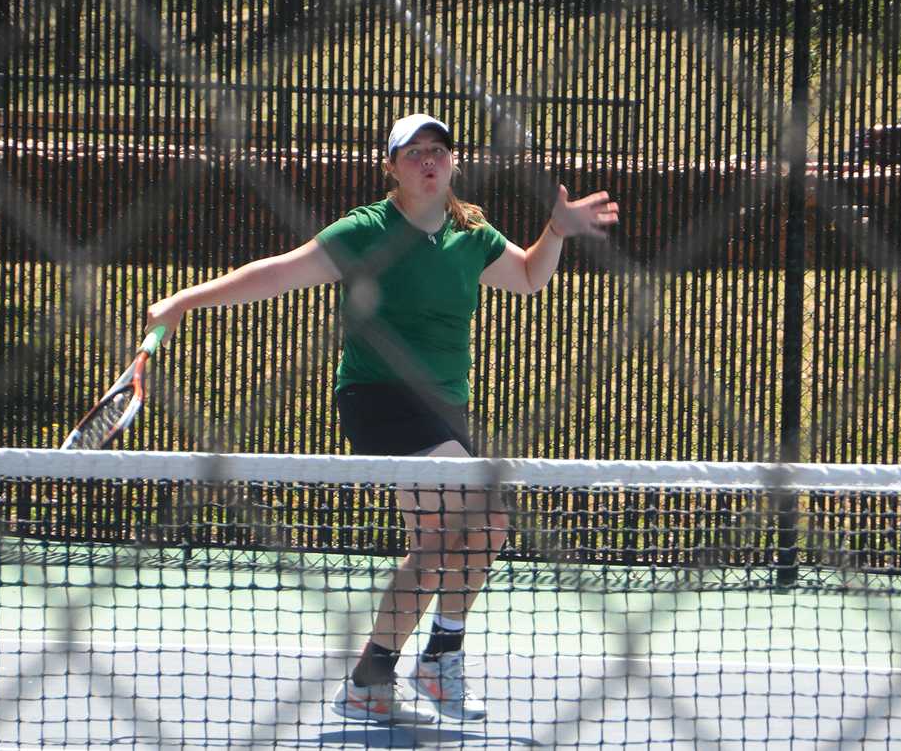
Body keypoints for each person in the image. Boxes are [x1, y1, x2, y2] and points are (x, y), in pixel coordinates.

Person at [146, 113, 618, 724]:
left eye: (439, 151)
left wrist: (555, 229)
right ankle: (429, 663)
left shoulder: (469, 233)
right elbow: (281, 272)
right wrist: (186, 300)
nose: (429, 161)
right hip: (380, 396)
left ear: (453, 163)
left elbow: (528, 276)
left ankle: (380, 677)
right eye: (414, 152)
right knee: (483, 511)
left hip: (446, 406)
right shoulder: (365, 231)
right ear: (391, 167)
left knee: (469, 535)